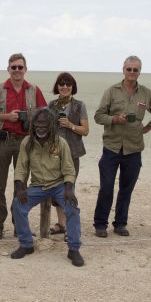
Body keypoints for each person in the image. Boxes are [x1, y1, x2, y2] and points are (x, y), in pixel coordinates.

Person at [93, 55, 151, 237]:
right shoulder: (111, 91)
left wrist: (150, 125)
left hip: (134, 148)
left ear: (140, 72)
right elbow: (98, 116)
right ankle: (100, 224)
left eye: (135, 70)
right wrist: (114, 119)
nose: (132, 72)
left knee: (126, 189)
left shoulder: (146, 93)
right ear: (123, 69)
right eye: (129, 69)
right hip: (111, 147)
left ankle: (120, 224)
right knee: (106, 188)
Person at [0, 53, 47, 239]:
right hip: (2, 142)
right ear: (8, 69)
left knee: (21, 186)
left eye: (20, 67)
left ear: (25, 69)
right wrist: (6, 117)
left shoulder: (34, 90)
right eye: (14, 67)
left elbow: (44, 115)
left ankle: (19, 224)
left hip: (25, 143)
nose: (17, 70)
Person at [11, 108, 84, 267]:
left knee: (72, 208)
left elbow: (69, 170)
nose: (40, 127)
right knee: (17, 204)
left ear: (51, 125)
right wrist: (19, 187)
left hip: (58, 186)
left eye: (44, 124)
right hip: (37, 186)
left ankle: (73, 249)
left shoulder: (61, 143)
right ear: (33, 125)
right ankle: (26, 244)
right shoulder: (27, 142)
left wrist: (69, 189)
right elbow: (21, 168)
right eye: (37, 124)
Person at [47, 72, 89, 238]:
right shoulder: (51, 105)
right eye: (61, 84)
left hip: (72, 154)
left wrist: (71, 125)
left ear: (73, 87)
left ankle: (71, 228)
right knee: (55, 190)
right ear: (57, 87)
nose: (65, 87)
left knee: (68, 190)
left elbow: (85, 131)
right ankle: (61, 224)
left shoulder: (79, 105)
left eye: (68, 84)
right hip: (54, 154)